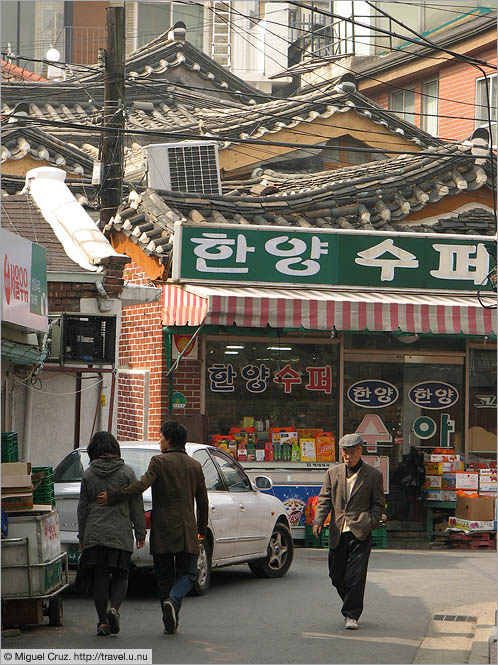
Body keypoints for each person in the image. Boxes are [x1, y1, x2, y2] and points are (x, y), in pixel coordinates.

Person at [96, 420, 209, 635]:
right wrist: (201, 528)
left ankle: (169, 613)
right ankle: (173, 605)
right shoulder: (195, 466)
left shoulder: (158, 463)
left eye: (160, 437)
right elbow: (202, 501)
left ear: (168, 440)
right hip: (186, 530)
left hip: (162, 530)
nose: (159, 441)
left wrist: (113, 496)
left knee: (164, 576)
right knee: (190, 573)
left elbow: (139, 487)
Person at [77, 431, 146, 637]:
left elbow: (82, 508)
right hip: (119, 533)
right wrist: (140, 531)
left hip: (95, 533)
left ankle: (102, 623)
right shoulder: (127, 473)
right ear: (115, 449)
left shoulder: (88, 474)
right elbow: (136, 504)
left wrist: (82, 536)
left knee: (100, 578)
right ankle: (114, 609)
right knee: (120, 575)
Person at [313, 433, 384, 631]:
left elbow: (379, 504)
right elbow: (324, 498)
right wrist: (319, 520)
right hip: (338, 530)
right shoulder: (332, 473)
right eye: (344, 453)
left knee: (356, 575)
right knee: (336, 575)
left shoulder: (373, 475)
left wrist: (370, 522)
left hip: (360, 531)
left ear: (360, 451)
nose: (348, 457)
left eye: (351, 453)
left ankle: (352, 614)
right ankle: (350, 604)